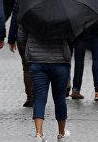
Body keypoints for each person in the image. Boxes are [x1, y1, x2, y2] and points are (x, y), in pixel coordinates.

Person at [18, 8, 72, 141]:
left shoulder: (29, 12)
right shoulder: (65, 12)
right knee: (59, 98)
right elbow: (71, 36)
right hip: (59, 61)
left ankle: (39, 133)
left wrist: (27, 53)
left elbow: (21, 37)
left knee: (39, 98)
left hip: (37, 61)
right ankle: (61, 132)